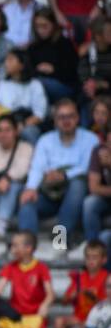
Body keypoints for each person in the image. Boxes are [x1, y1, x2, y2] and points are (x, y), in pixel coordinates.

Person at [19, 99, 98, 239]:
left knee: (78, 184)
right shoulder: (45, 140)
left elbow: (87, 168)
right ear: (55, 120)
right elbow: (37, 167)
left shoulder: (91, 139)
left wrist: (64, 176)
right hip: (51, 192)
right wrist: (31, 188)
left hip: (77, 195)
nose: (66, 121)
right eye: (61, 117)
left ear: (78, 118)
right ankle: (27, 249)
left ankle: (58, 243)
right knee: (27, 199)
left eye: (70, 116)